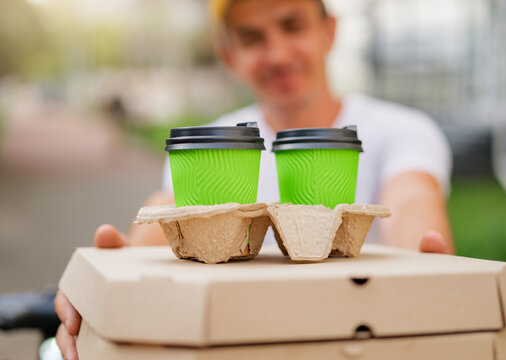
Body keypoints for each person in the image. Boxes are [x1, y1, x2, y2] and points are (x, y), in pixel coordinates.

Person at [55, 0, 454, 358]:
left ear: (329, 30)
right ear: (229, 54)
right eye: (252, 38)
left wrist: (428, 262)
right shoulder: (212, 142)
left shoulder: (400, 130)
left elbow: (409, 200)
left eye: (292, 25)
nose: (278, 54)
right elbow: (167, 214)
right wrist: (105, 278)